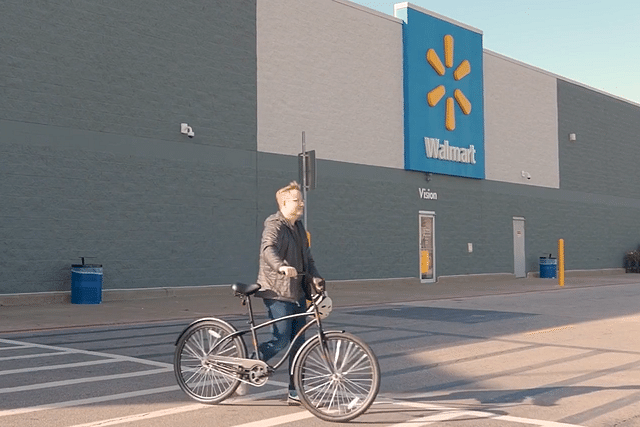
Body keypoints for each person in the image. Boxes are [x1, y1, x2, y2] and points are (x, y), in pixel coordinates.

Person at [255, 181, 324, 404]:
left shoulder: (298, 227)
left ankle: (295, 391)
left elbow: (308, 259)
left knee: (299, 343)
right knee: (281, 338)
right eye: (297, 200)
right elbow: (268, 250)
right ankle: (250, 365)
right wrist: (281, 266)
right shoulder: (274, 225)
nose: (302, 202)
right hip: (276, 290)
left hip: (297, 292)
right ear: (285, 203)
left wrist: (315, 278)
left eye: (301, 199)